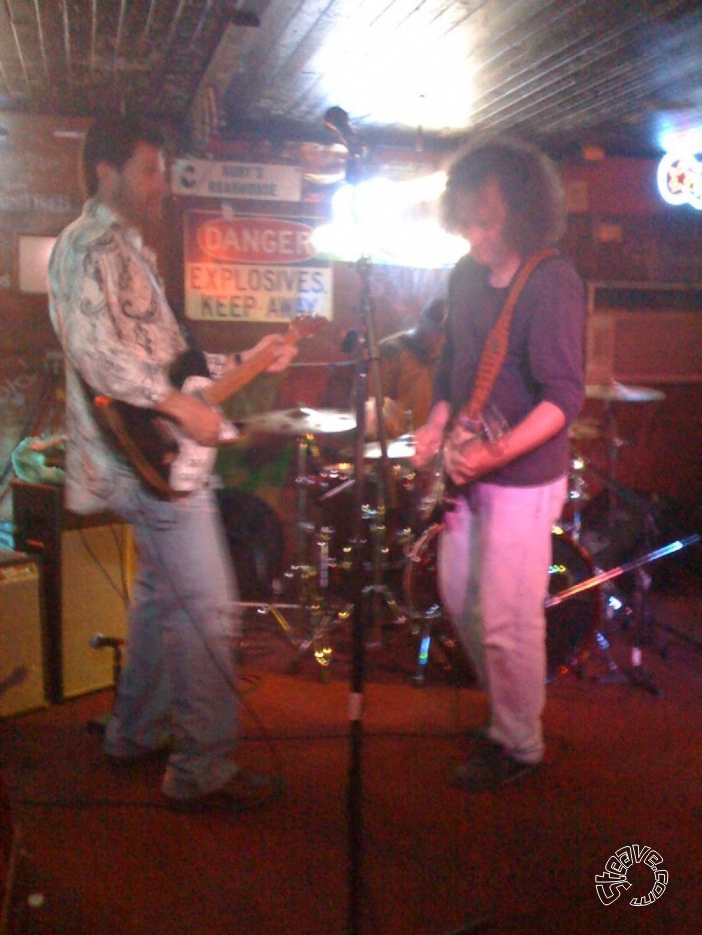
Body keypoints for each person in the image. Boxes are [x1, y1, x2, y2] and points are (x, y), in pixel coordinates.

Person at [48, 114, 297, 812]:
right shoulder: (89, 244)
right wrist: (173, 403)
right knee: (208, 607)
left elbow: (174, 368)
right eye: (151, 169)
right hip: (142, 464)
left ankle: (135, 730)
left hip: (148, 458)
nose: (163, 183)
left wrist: (252, 359)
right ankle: (201, 766)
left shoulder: (126, 250)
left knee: (161, 598)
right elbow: (101, 356)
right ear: (107, 171)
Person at [413, 134, 585, 792]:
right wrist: (436, 420)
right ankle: (510, 712)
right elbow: (454, 363)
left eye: (487, 222)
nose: (476, 235)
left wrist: (495, 451)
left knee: (510, 614)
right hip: (470, 473)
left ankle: (519, 740)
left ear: (521, 212)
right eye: (468, 221)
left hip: (523, 478)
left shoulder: (553, 281)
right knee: (460, 595)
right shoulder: (463, 275)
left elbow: (563, 399)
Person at [365, 298, 447, 438]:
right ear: (422, 323)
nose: (440, 341)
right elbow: (370, 406)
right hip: (395, 450)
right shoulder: (390, 351)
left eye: (445, 336)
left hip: (432, 448)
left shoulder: (445, 356)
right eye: (435, 333)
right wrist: (389, 418)